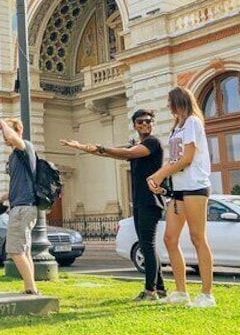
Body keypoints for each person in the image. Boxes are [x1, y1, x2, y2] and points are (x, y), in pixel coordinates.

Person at [59, 109, 166, 301]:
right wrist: (82, 147)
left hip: (151, 201)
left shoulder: (152, 142)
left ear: (153, 124)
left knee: (147, 246)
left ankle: (151, 291)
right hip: (141, 201)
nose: (145, 124)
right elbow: (115, 154)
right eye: (140, 122)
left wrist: (101, 148)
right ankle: (159, 288)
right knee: (145, 245)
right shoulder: (138, 145)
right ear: (134, 125)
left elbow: (125, 153)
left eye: (148, 121)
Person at [146, 87, 215, 308]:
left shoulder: (193, 122)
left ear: (178, 102)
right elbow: (175, 159)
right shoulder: (177, 128)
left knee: (197, 237)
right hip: (179, 189)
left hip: (195, 186)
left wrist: (159, 174)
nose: (167, 106)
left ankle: (207, 294)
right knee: (170, 239)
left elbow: (187, 158)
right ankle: (181, 291)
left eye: (169, 102)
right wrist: (160, 181)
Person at [0, 118, 39, 295]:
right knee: (24, 251)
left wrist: (4, 124)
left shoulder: (25, 147)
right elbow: (20, 183)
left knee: (15, 250)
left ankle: (31, 289)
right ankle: (30, 287)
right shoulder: (13, 156)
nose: (4, 137)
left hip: (23, 208)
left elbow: (14, 139)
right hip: (20, 205)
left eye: (6, 133)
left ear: (18, 130)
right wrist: (3, 198)